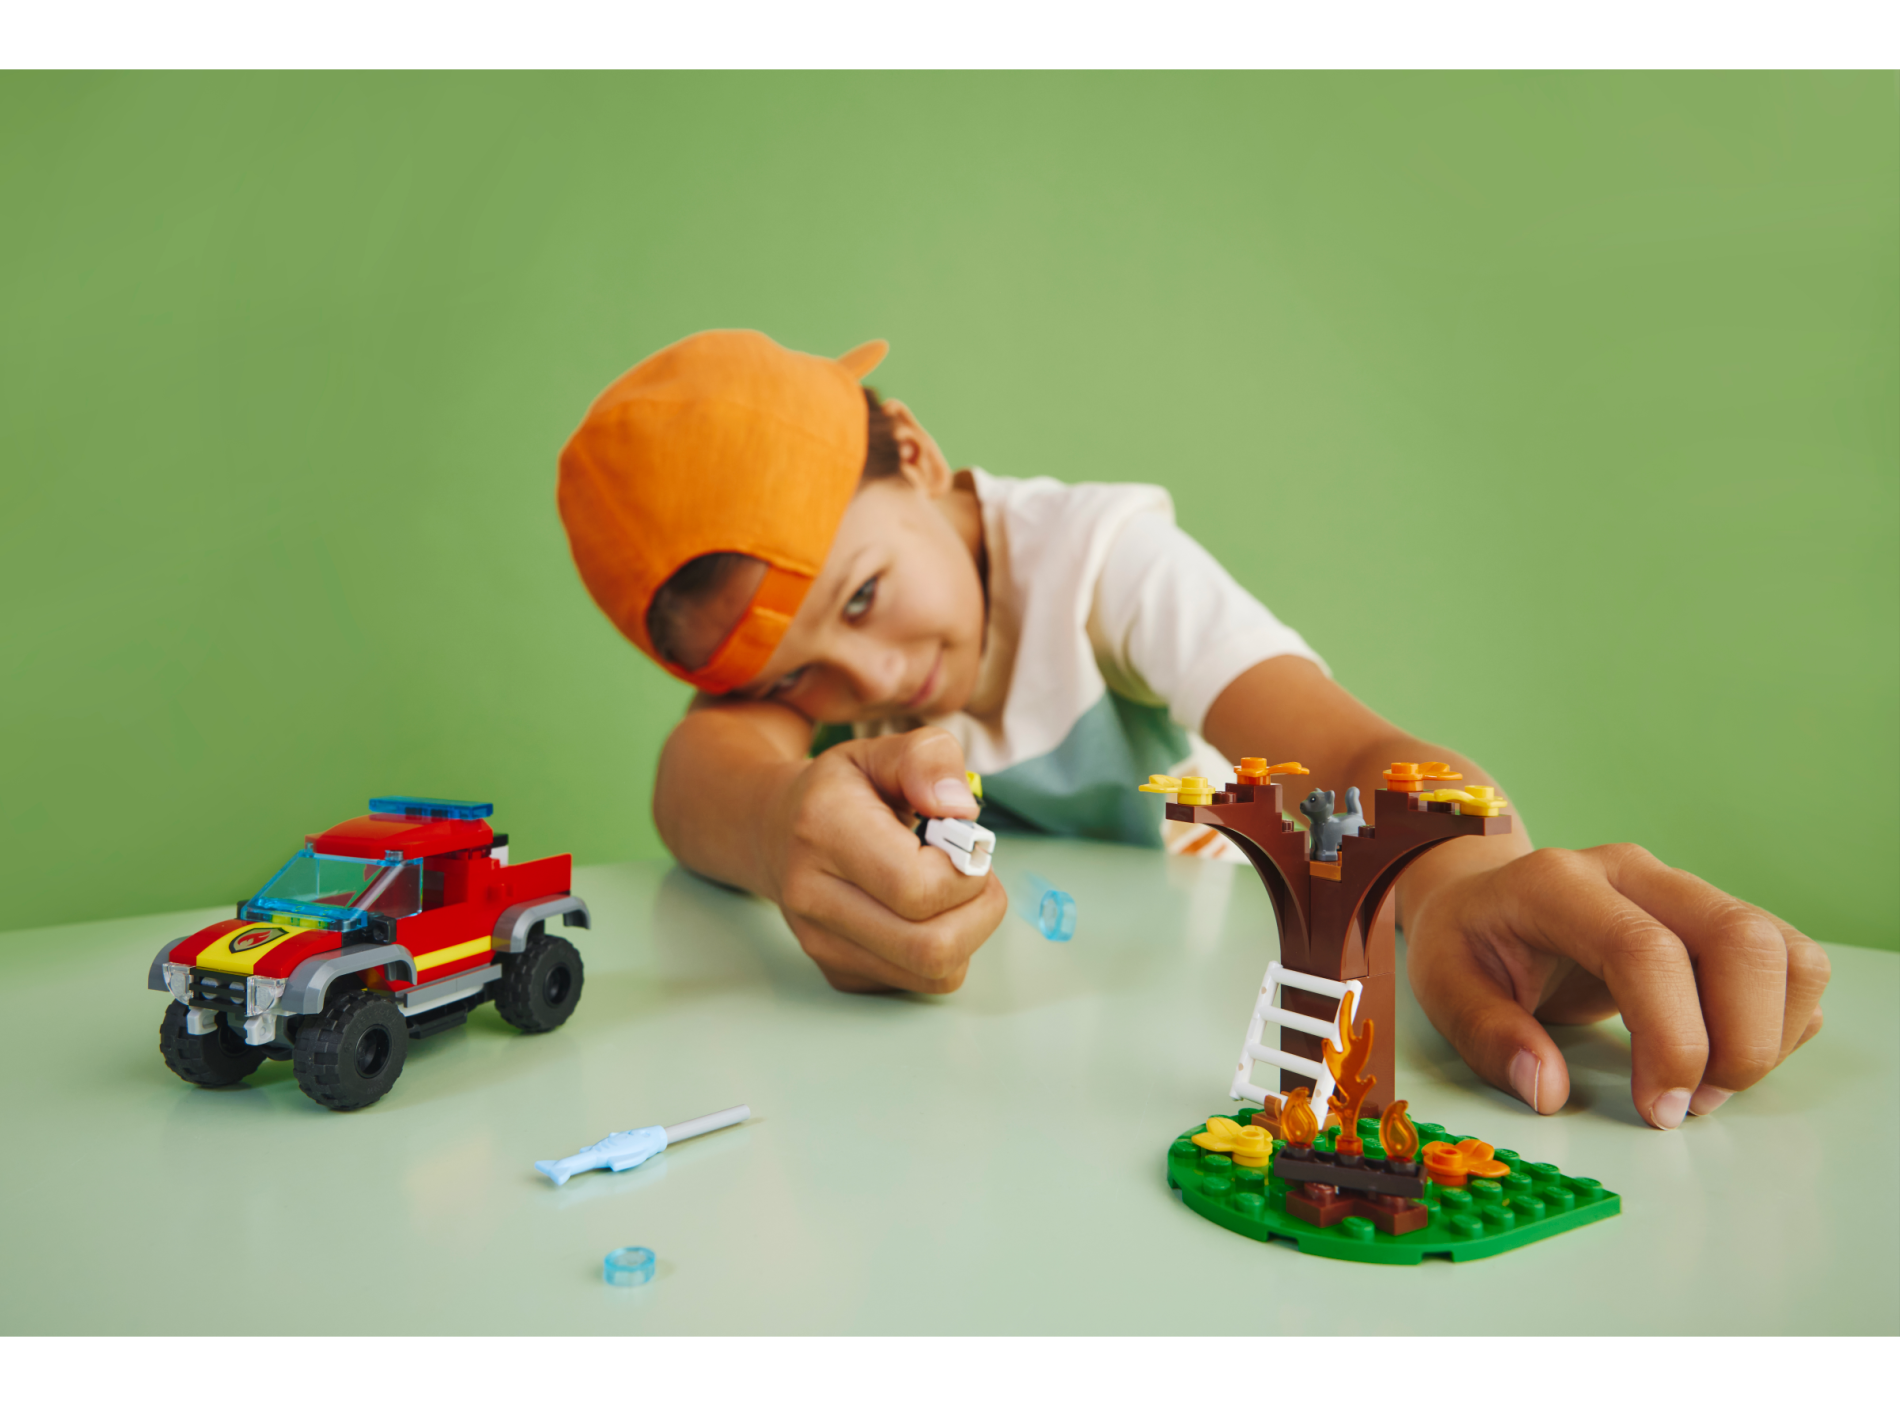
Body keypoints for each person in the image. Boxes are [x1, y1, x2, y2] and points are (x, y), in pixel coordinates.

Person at [557, 329, 1829, 1132]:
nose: (870, 677)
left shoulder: (1102, 564)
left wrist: (1460, 879)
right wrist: (779, 816)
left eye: (864, 599)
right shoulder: (825, 665)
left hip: (1199, 1008)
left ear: (913, 448)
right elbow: (696, 768)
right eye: (797, 677)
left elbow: (1344, 753)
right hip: (1011, 1072)